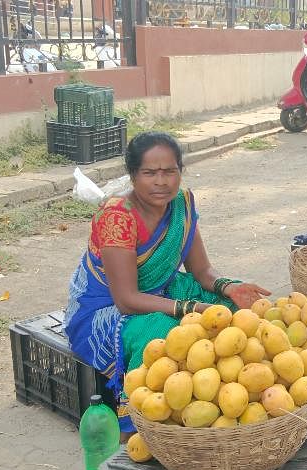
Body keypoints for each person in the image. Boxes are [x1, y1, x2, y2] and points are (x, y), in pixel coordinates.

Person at [63, 131, 271, 437]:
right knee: (163, 334)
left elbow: (202, 271)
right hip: (104, 310)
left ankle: (229, 392)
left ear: (180, 172)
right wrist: (192, 308)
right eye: (149, 173)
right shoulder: (117, 217)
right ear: (133, 175)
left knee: (232, 307)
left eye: (169, 171)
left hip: (160, 290)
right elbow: (127, 300)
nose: (161, 181)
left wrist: (229, 288)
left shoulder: (182, 205)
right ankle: (140, 422)